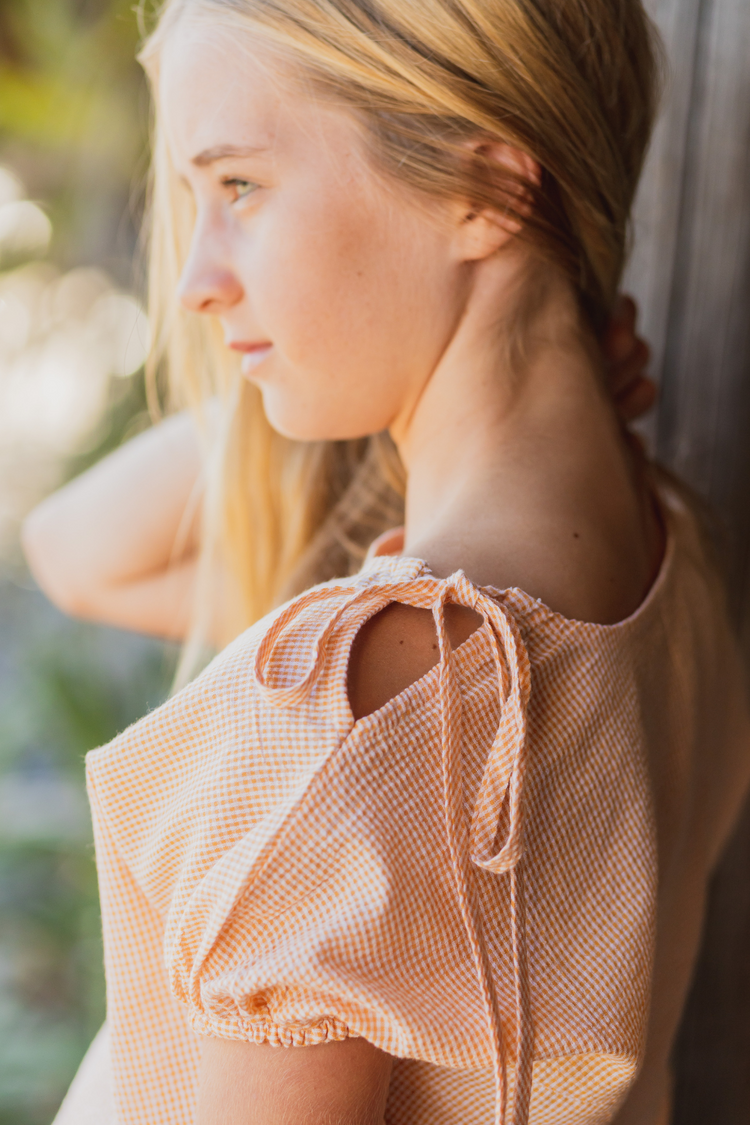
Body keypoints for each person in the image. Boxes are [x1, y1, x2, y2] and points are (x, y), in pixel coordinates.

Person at [22, 0, 750, 1122]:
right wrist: (516, 378)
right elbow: (72, 551)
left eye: (241, 188)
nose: (193, 283)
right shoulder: (674, 562)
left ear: (491, 191)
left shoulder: (355, 707)